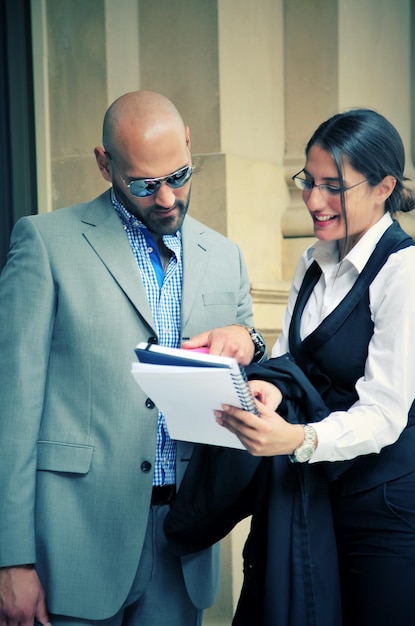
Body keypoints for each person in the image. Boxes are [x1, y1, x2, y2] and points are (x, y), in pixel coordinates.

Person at [0, 90, 266, 626]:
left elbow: (253, 366)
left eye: (180, 175)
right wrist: (11, 559)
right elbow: (11, 410)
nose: (167, 198)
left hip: (182, 537)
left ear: (189, 144)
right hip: (73, 544)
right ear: (105, 164)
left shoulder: (226, 255)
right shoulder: (45, 242)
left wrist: (249, 342)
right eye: (146, 184)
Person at [213, 109, 415, 625]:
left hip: (386, 509)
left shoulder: (406, 272)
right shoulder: (313, 262)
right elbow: (290, 362)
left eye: (333, 186)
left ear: (383, 186)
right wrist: (272, 393)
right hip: (320, 492)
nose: (314, 201)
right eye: (308, 181)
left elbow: (385, 413)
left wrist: (295, 440)